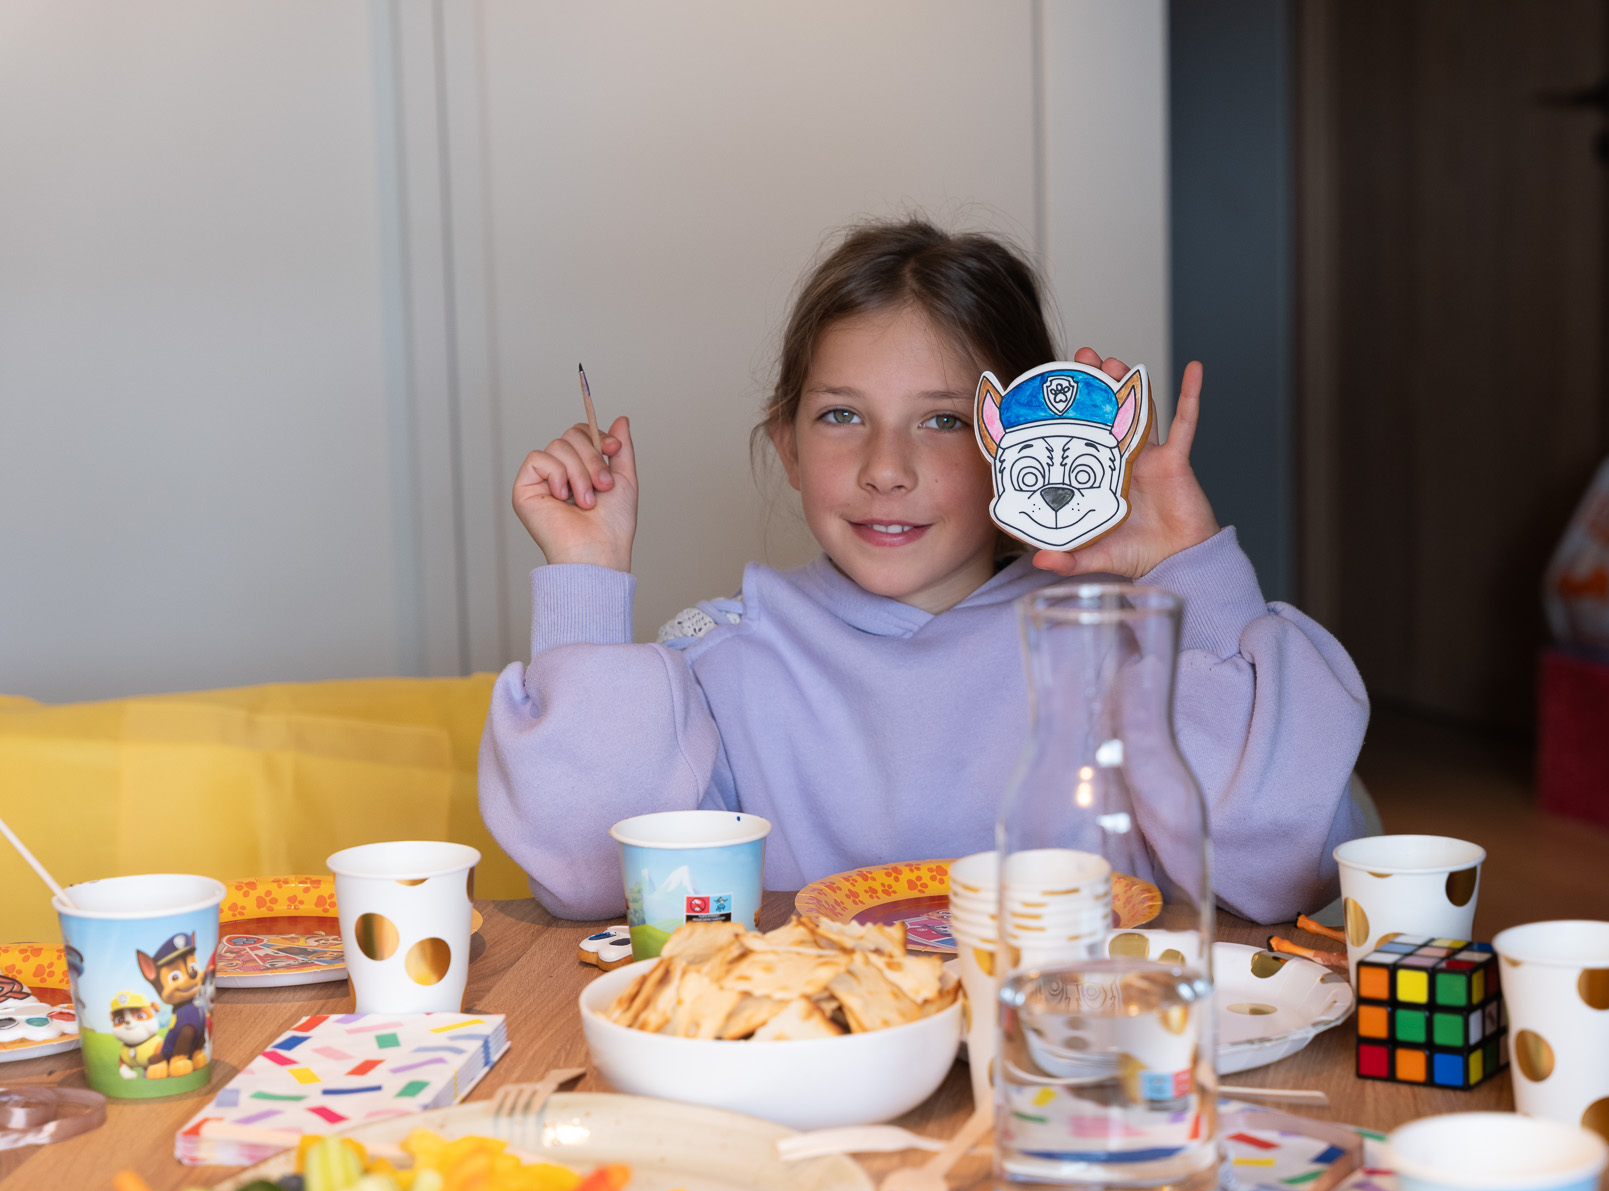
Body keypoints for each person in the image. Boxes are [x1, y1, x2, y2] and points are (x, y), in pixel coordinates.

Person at [479, 219, 1367, 924]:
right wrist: (587, 575)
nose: (885, 467)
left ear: (1017, 445)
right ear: (785, 444)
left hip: (1076, 1079)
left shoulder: (1121, 642)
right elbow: (598, 876)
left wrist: (1190, 571)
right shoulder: (727, 661)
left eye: (943, 422)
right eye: (840, 416)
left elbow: (1288, 865)